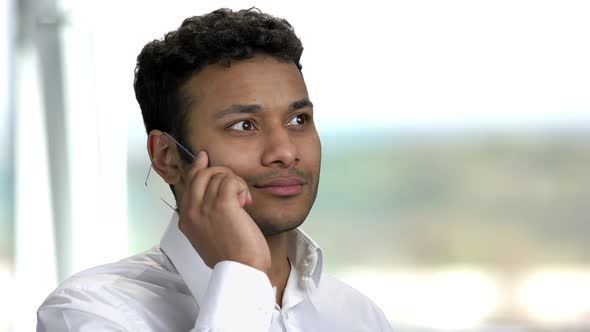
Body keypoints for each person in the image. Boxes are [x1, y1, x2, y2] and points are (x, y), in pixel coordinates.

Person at [37, 8, 393, 331]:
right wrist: (243, 273)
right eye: (244, 125)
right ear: (167, 157)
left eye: (298, 119)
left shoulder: (359, 316)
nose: (285, 151)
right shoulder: (91, 310)